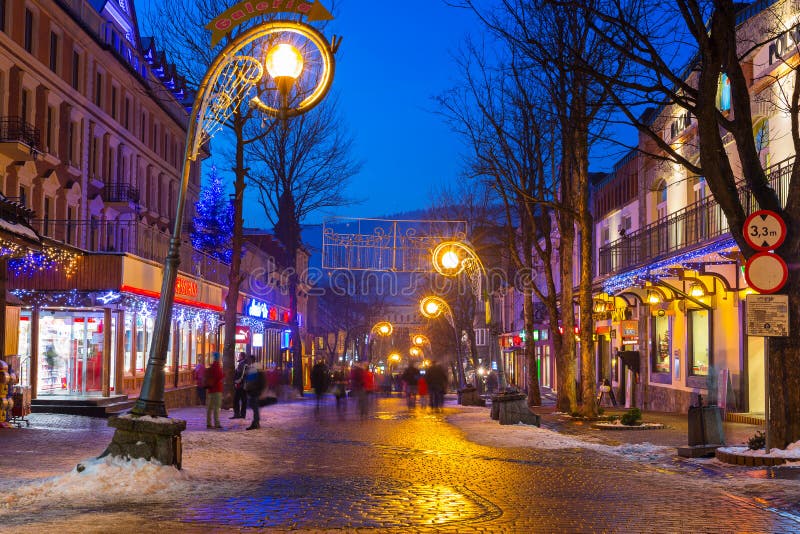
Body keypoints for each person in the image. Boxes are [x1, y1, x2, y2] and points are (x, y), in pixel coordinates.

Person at [243, 357, 266, 430]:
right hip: (254, 390)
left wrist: (258, 389)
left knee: (254, 406)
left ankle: (256, 422)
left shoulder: (255, 368)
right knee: (254, 406)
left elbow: (254, 380)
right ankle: (256, 422)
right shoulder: (253, 368)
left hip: (254, 390)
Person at [205, 352, 224, 429]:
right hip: (217, 390)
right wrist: (224, 374)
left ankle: (208, 423)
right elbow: (219, 376)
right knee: (216, 407)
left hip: (210, 390)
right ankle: (217, 423)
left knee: (209, 408)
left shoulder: (211, 366)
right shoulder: (217, 367)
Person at [231, 352, 248, 419]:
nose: (238, 357)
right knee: (243, 400)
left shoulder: (242, 365)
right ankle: (242, 414)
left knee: (236, 400)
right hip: (243, 385)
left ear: (242, 357)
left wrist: (236, 382)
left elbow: (241, 375)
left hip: (240, 385)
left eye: (239, 356)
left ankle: (237, 414)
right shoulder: (244, 364)